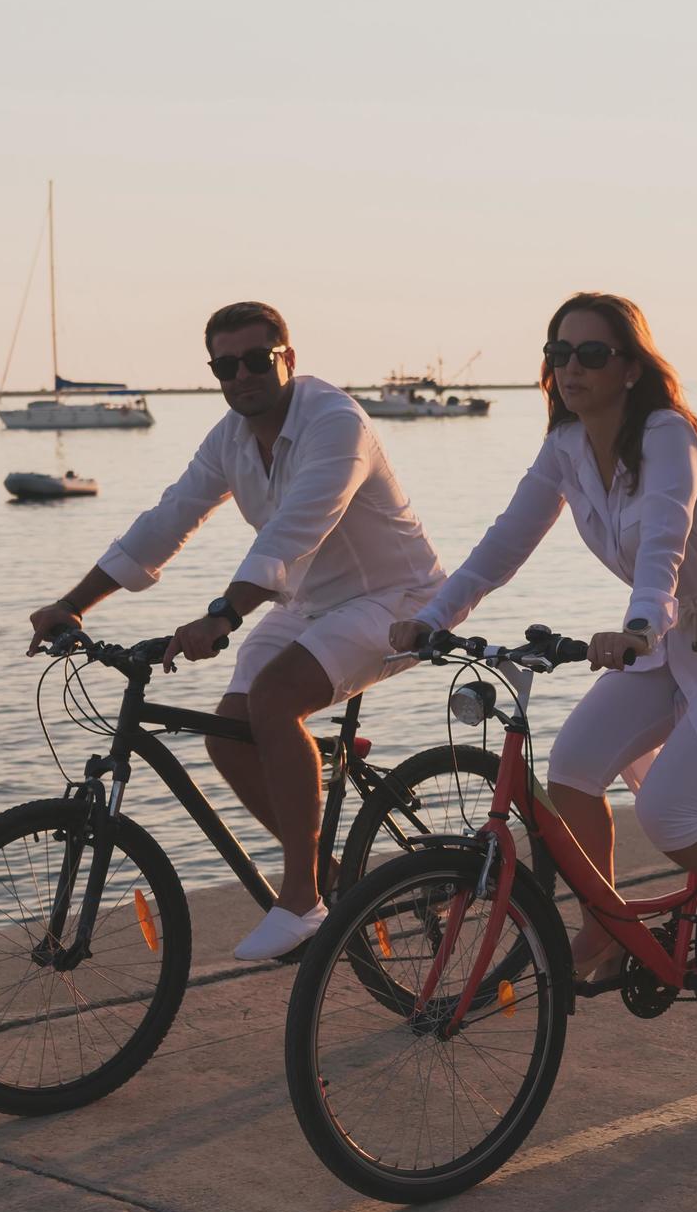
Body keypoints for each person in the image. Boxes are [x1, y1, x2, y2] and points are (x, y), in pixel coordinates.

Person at [391, 292, 697, 1000]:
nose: (571, 368)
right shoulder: (565, 448)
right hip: (666, 639)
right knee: (573, 769)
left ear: (629, 368)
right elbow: (504, 543)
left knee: (669, 813)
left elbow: (664, 539)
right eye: (558, 355)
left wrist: (642, 623)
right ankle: (608, 925)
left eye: (590, 354)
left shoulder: (669, 434)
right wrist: (434, 615)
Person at [29, 302, 446, 961]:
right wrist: (73, 604)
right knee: (228, 735)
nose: (243, 374)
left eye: (258, 359)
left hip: (396, 599)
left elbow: (294, 532)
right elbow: (167, 519)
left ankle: (301, 897)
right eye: (228, 365)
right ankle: (331, 883)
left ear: (289, 358)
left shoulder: (335, 423)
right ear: (215, 372)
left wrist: (221, 616)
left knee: (276, 699)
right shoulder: (228, 437)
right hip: (308, 602)